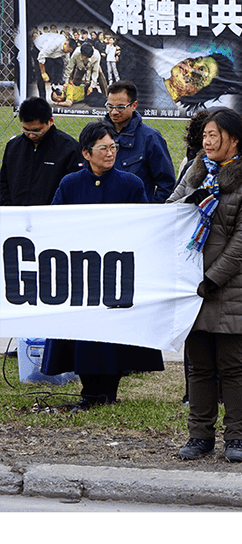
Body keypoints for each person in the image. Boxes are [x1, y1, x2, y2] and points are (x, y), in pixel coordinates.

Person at [169, 108, 242, 462]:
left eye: (214, 136)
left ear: (234, 139)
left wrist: (213, 278)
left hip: (232, 287)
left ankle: (237, 437)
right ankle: (199, 435)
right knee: (198, 367)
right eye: (205, 136)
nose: (207, 142)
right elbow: (170, 214)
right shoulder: (195, 173)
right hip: (192, 285)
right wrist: (187, 202)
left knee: (232, 366)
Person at [41, 121, 161, 411]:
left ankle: (108, 390)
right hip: (80, 273)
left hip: (115, 274)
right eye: (103, 148)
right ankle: (88, 391)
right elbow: (55, 223)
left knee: (112, 335)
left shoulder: (130, 184)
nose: (110, 153)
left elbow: (143, 226)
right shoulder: (70, 184)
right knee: (81, 333)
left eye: (113, 147)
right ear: (86, 153)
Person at [0, 97, 82, 206]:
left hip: (51, 216)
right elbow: (3, 183)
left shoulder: (70, 148)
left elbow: (73, 189)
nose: (31, 135)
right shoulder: (13, 146)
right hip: (16, 215)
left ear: (50, 122)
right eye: (26, 129)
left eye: (36, 130)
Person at [104, 81, 176, 203]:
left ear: (134, 105)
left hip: (137, 214)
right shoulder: (96, 135)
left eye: (120, 107)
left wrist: (151, 209)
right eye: (110, 106)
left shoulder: (150, 138)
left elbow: (166, 183)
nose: (114, 112)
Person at [33, 32, 75, 100]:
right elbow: (41, 57)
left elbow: (66, 64)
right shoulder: (53, 44)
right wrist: (43, 73)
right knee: (41, 75)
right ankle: (42, 98)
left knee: (60, 63)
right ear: (65, 44)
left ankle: (56, 87)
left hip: (52, 53)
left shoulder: (66, 50)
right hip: (39, 50)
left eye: (69, 52)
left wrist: (69, 80)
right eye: (67, 50)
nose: (67, 53)